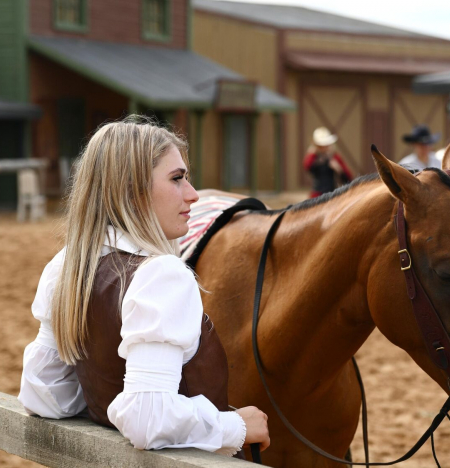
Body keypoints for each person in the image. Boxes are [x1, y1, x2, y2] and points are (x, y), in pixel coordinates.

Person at [18, 117, 270, 457]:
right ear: (133, 191)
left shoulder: (67, 266)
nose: (193, 194)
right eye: (177, 179)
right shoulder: (161, 275)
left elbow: (44, 395)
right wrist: (234, 425)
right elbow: (146, 419)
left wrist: (105, 407)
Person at [303, 127, 353, 198]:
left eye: (326, 145)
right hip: (317, 195)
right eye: (321, 145)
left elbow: (348, 178)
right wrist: (312, 153)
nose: (324, 147)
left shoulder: (334, 157)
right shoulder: (313, 156)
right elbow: (307, 166)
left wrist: (339, 169)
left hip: (331, 194)